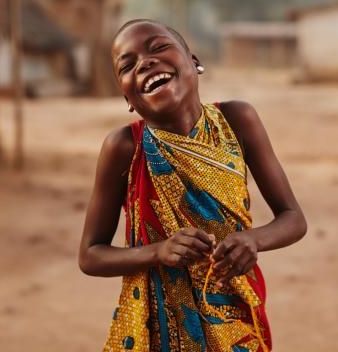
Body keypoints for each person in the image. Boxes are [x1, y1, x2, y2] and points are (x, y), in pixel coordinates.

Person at [78, 19, 307, 352]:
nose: (145, 62)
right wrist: (158, 251)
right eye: (127, 65)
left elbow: (293, 218)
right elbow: (90, 255)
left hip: (235, 314)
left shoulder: (238, 120)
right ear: (127, 96)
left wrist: (253, 240)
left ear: (194, 62)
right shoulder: (124, 147)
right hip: (158, 328)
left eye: (158, 48)